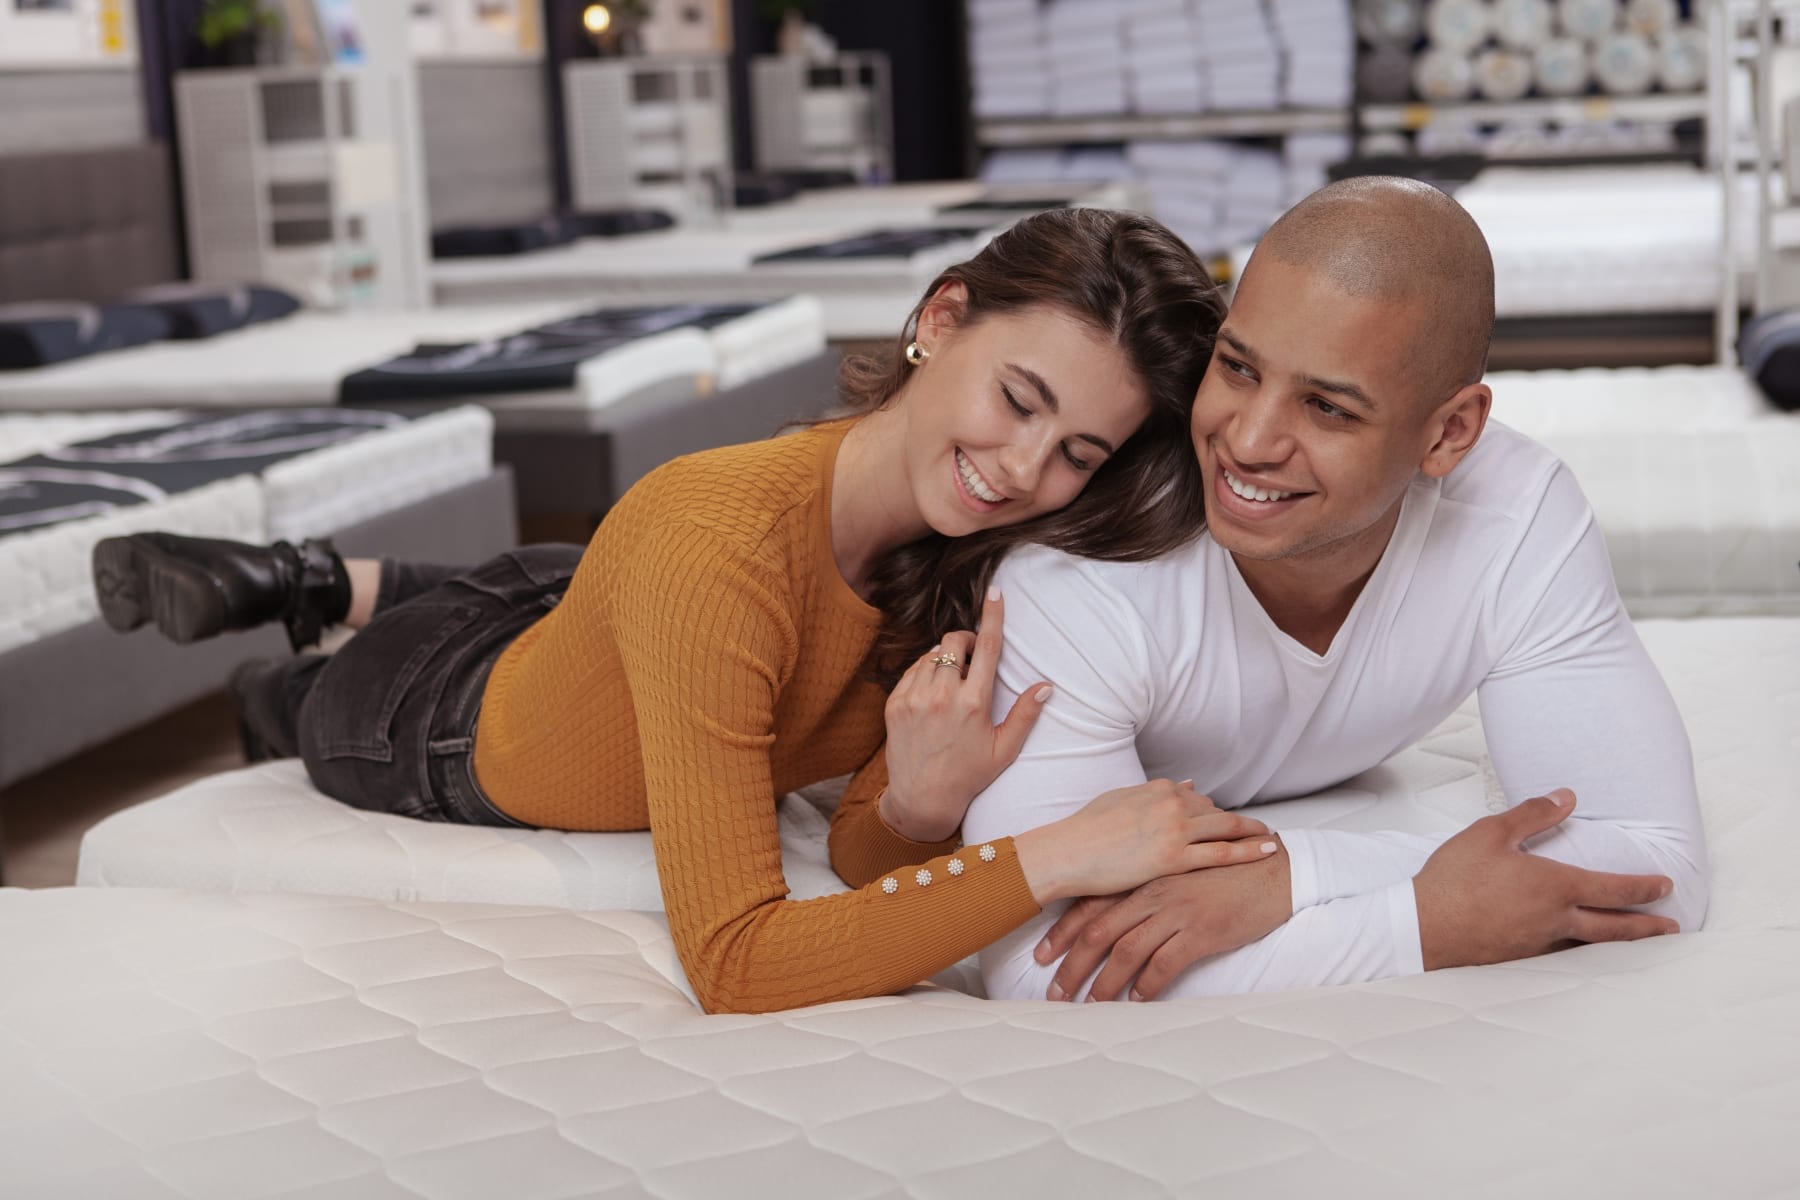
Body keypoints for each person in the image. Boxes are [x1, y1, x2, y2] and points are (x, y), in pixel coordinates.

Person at [90, 207, 1280, 1015]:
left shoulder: (968, 560)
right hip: (425, 714)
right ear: (939, 319)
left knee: (590, 571)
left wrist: (921, 799)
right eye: (1018, 398)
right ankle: (287, 634)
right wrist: (1051, 855)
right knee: (332, 692)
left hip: (585, 607)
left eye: (1077, 451)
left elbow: (869, 852)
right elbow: (734, 960)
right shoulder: (718, 539)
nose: (1023, 470)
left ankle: (312, 578)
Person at [858, 177, 1705, 1004]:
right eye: (1236, 367)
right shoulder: (1078, 580)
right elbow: (1048, 969)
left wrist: (1300, 876)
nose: (1250, 441)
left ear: (1449, 433)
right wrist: (1431, 922)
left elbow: (1655, 868)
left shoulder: (1515, 518)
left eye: (1328, 409)